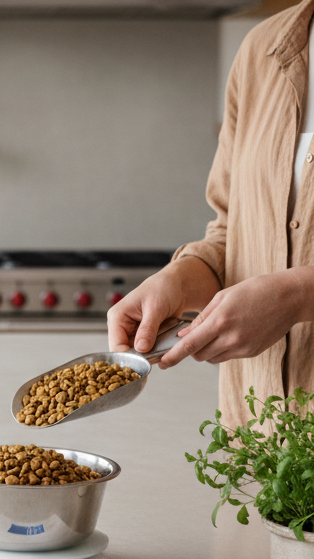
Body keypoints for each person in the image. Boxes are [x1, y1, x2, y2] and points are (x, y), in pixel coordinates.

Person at [108, 0, 314, 427]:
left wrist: (295, 296)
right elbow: (231, 232)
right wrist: (182, 277)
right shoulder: (262, 49)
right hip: (259, 439)